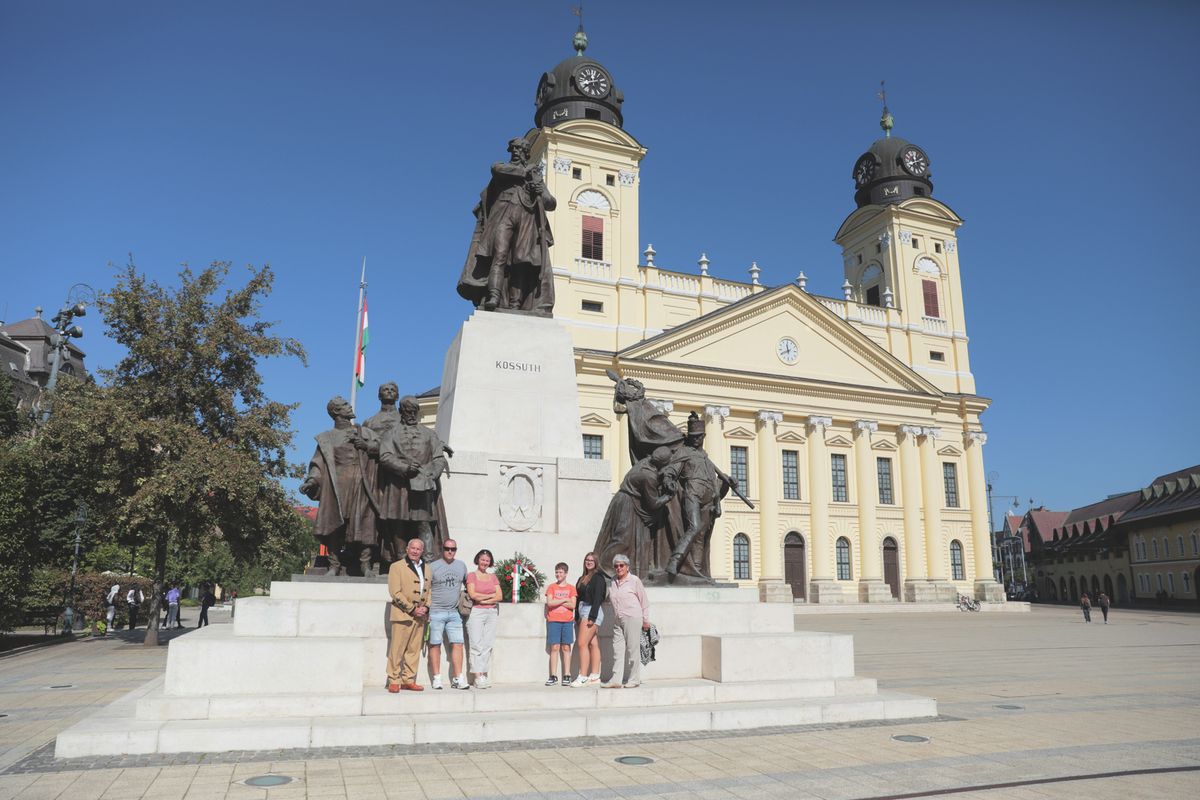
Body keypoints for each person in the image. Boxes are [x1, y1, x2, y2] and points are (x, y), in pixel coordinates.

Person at [457, 134, 557, 315]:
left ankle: (515, 303)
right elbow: (497, 170)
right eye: (514, 149)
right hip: (502, 216)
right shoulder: (503, 167)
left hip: (526, 219)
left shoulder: (534, 175)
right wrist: (527, 173)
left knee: (522, 261)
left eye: (521, 150)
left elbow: (551, 203)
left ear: (527, 153)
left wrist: (540, 190)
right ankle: (494, 295)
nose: (517, 152)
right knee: (499, 255)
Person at [299, 396, 379, 576]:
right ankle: (334, 565)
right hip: (336, 485)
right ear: (336, 412)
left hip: (361, 482)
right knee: (334, 525)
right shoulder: (326, 438)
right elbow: (318, 464)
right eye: (344, 405)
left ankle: (365, 565)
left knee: (364, 523)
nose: (349, 406)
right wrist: (311, 481)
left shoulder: (365, 432)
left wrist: (365, 446)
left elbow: (382, 449)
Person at [377, 396, 450, 564]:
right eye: (407, 411)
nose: (411, 414)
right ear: (401, 411)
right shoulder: (391, 433)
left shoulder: (429, 434)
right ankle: (400, 560)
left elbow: (439, 458)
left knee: (423, 524)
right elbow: (385, 456)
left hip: (422, 486)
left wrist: (432, 474)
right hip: (399, 486)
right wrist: (403, 467)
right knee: (398, 525)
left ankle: (429, 561)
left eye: (414, 411)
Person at [387, 537, 431, 693]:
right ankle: (394, 680)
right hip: (403, 614)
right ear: (407, 549)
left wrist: (425, 607)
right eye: (413, 548)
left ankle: (408, 680)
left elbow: (429, 590)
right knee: (397, 648)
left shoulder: (427, 568)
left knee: (413, 650)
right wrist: (412, 609)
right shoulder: (396, 566)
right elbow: (395, 592)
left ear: (422, 551)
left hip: (420, 616)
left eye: (418, 549)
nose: (415, 551)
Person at [604, 554, 650, 689]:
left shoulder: (634, 580)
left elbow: (644, 601)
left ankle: (634, 679)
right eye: (616, 566)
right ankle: (616, 680)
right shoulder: (613, 581)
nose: (618, 568)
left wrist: (646, 620)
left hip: (632, 617)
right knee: (617, 650)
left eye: (621, 565)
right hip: (618, 619)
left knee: (632, 649)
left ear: (627, 567)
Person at [428, 538, 469, 690]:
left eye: (453, 549)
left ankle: (458, 678)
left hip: (454, 613)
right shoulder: (433, 567)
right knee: (435, 644)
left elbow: (468, 584)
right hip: (436, 611)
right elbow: (425, 589)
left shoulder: (461, 566)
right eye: (447, 548)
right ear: (442, 549)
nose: (450, 551)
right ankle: (437, 678)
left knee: (458, 644)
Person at [466, 549, 502, 689]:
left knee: (488, 644)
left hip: (491, 612)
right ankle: (477, 675)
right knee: (476, 644)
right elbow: (473, 595)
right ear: (478, 560)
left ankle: (484, 674)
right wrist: (489, 597)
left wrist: (483, 599)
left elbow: (499, 596)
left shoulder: (493, 577)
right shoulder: (472, 575)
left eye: (487, 560)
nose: (484, 562)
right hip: (476, 612)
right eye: (482, 559)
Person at [571, 552, 607, 686]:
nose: (589, 562)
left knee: (581, 643)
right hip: (582, 610)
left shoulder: (598, 577)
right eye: (587, 559)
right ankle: (595, 675)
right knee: (592, 643)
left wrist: (592, 616)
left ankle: (583, 676)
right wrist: (577, 615)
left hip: (591, 611)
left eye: (592, 560)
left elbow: (598, 598)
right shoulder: (582, 577)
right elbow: (578, 598)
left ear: (596, 562)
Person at [544, 562, 577, 687]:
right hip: (553, 621)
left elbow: (573, 605)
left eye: (561, 572)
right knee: (555, 647)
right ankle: (553, 676)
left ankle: (567, 675)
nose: (558, 574)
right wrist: (564, 600)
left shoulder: (571, 588)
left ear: (566, 573)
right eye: (557, 572)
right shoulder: (551, 587)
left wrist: (557, 601)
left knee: (566, 648)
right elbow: (550, 603)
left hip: (567, 621)